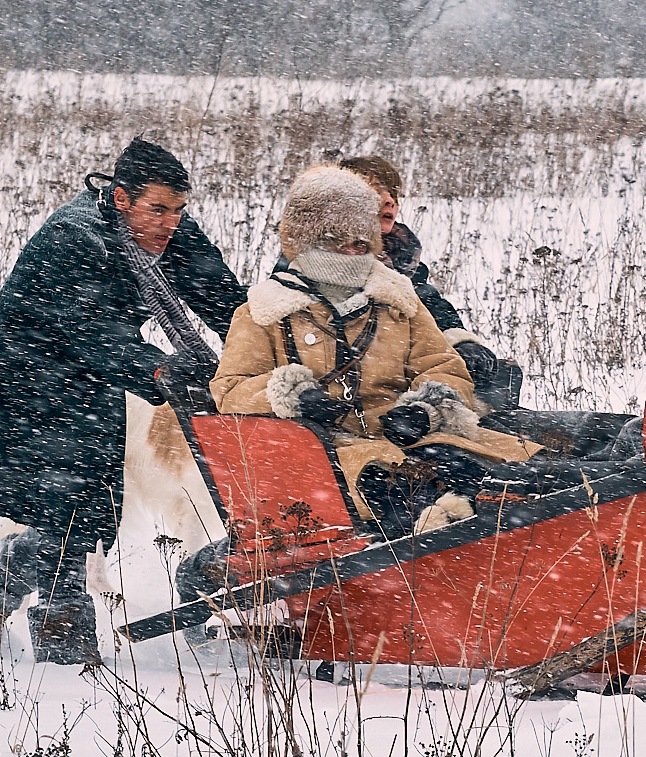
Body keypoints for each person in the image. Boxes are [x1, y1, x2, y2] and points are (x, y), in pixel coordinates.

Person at [0, 137, 244, 664]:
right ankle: (63, 647)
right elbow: (90, 331)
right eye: (158, 209)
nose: (170, 222)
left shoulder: (169, 233)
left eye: (178, 210)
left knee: (87, 506)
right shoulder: (72, 238)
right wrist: (161, 370)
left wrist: (255, 349)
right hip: (22, 375)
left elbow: (223, 298)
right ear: (121, 198)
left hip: (88, 376)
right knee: (66, 502)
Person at [211, 166, 538, 534]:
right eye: (341, 242)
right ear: (309, 241)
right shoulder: (264, 313)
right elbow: (230, 390)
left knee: (510, 473)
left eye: (362, 244)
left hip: (414, 438)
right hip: (329, 455)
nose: (354, 254)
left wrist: (424, 409)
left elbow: (444, 366)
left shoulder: (398, 301)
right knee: (400, 490)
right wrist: (293, 396)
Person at [337, 153, 525, 411]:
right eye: (376, 190)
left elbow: (429, 305)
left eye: (394, 193)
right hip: (366, 394)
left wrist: (460, 342)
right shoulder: (312, 266)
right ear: (338, 201)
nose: (390, 200)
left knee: (502, 383)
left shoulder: (400, 257)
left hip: (416, 379)